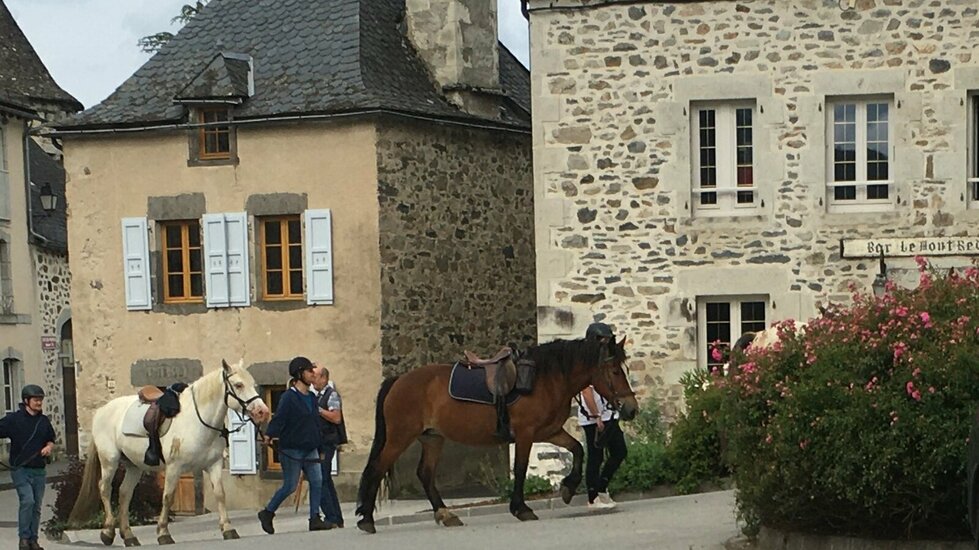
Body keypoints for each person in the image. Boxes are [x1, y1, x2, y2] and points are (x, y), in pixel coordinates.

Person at [257, 357, 328, 534]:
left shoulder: (311, 397)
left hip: (310, 447)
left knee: (318, 481)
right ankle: (267, 512)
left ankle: (314, 518)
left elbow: (315, 424)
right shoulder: (289, 397)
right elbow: (279, 418)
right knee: (290, 486)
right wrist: (269, 434)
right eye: (309, 371)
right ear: (299, 374)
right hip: (292, 448)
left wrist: (320, 448)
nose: (313, 374)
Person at [0, 384, 57, 550]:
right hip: (20, 470)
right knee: (27, 501)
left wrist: (49, 446)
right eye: (36, 399)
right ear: (26, 401)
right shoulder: (13, 420)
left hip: (39, 469)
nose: (39, 403)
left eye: (41, 399)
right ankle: (24, 539)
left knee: (36, 507)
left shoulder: (43, 420)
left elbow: (51, 438)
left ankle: (33, 540)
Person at [578, 322, 628, 509]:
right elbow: (586, 391)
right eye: (602, 339)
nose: (605, 343)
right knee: (595, 455)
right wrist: (595, 415)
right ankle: (592, 497)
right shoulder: (586, 363)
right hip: (593, 416)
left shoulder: (605, 360)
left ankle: (601, 487)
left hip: (608, 414)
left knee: (619, 451)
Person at [312, 365, 346, 529]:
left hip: (327, 442)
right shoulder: (316, 395)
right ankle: (336, 517)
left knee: (322, 478)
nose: (313, 380)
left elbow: (336, 417)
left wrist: (319, 410)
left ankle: (331, 517)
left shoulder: (331, 395)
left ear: (324, 378)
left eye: (316, 376)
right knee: (325, 479)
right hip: (320, 441)